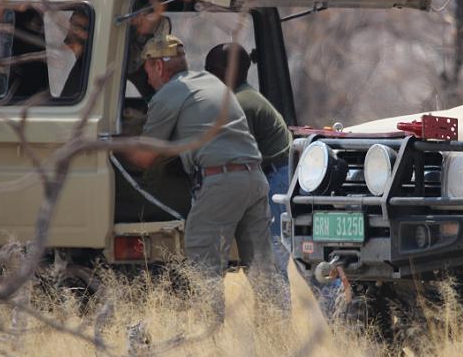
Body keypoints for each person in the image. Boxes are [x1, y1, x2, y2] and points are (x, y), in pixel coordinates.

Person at [123, 34, 285, 322]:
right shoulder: (213, 84)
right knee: (262, 269)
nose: (145, 75)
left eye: (146, 67)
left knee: (203, 264)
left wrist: (110, 146)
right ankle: (279, 335)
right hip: (254, 180)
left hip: (220, 182)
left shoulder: (168, 95)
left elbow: (145, 158)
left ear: (159, 66)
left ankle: (208, 341)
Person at [205, 42, 340, 316]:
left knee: (274, 260)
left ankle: (281, 329)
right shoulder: (246, 97)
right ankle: (341, 317)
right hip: (284, 178)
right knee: (305, 258)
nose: (207, 78)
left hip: (275, 181)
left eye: (211, 71)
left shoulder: (239, 104)